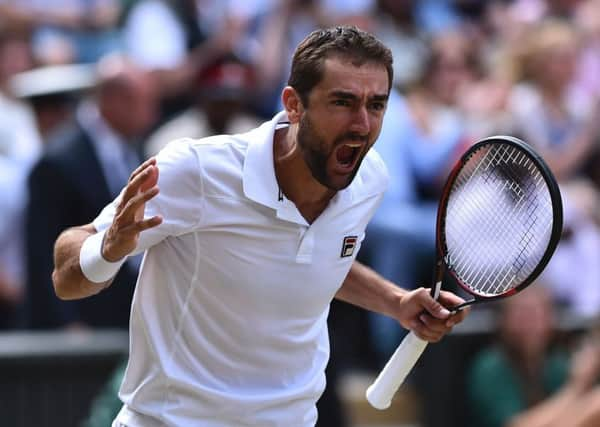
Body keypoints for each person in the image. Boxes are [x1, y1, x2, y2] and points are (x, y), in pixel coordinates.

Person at [52, 26, 468, 426]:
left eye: (376, 104)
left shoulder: (369, 178)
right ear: (293, 104)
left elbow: (314, 257)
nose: (362, 124)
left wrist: (395, 302)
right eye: (342, 102)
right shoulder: (195, 170)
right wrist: (109, 248)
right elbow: (66, 277)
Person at [25, 56, 159, 329]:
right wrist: (67, 323)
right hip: (82, 319)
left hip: (125, 315)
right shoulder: (58, 160)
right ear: (113, 100)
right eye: (144, 102)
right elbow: (40, 251)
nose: (152, 114)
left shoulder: (137, 147)